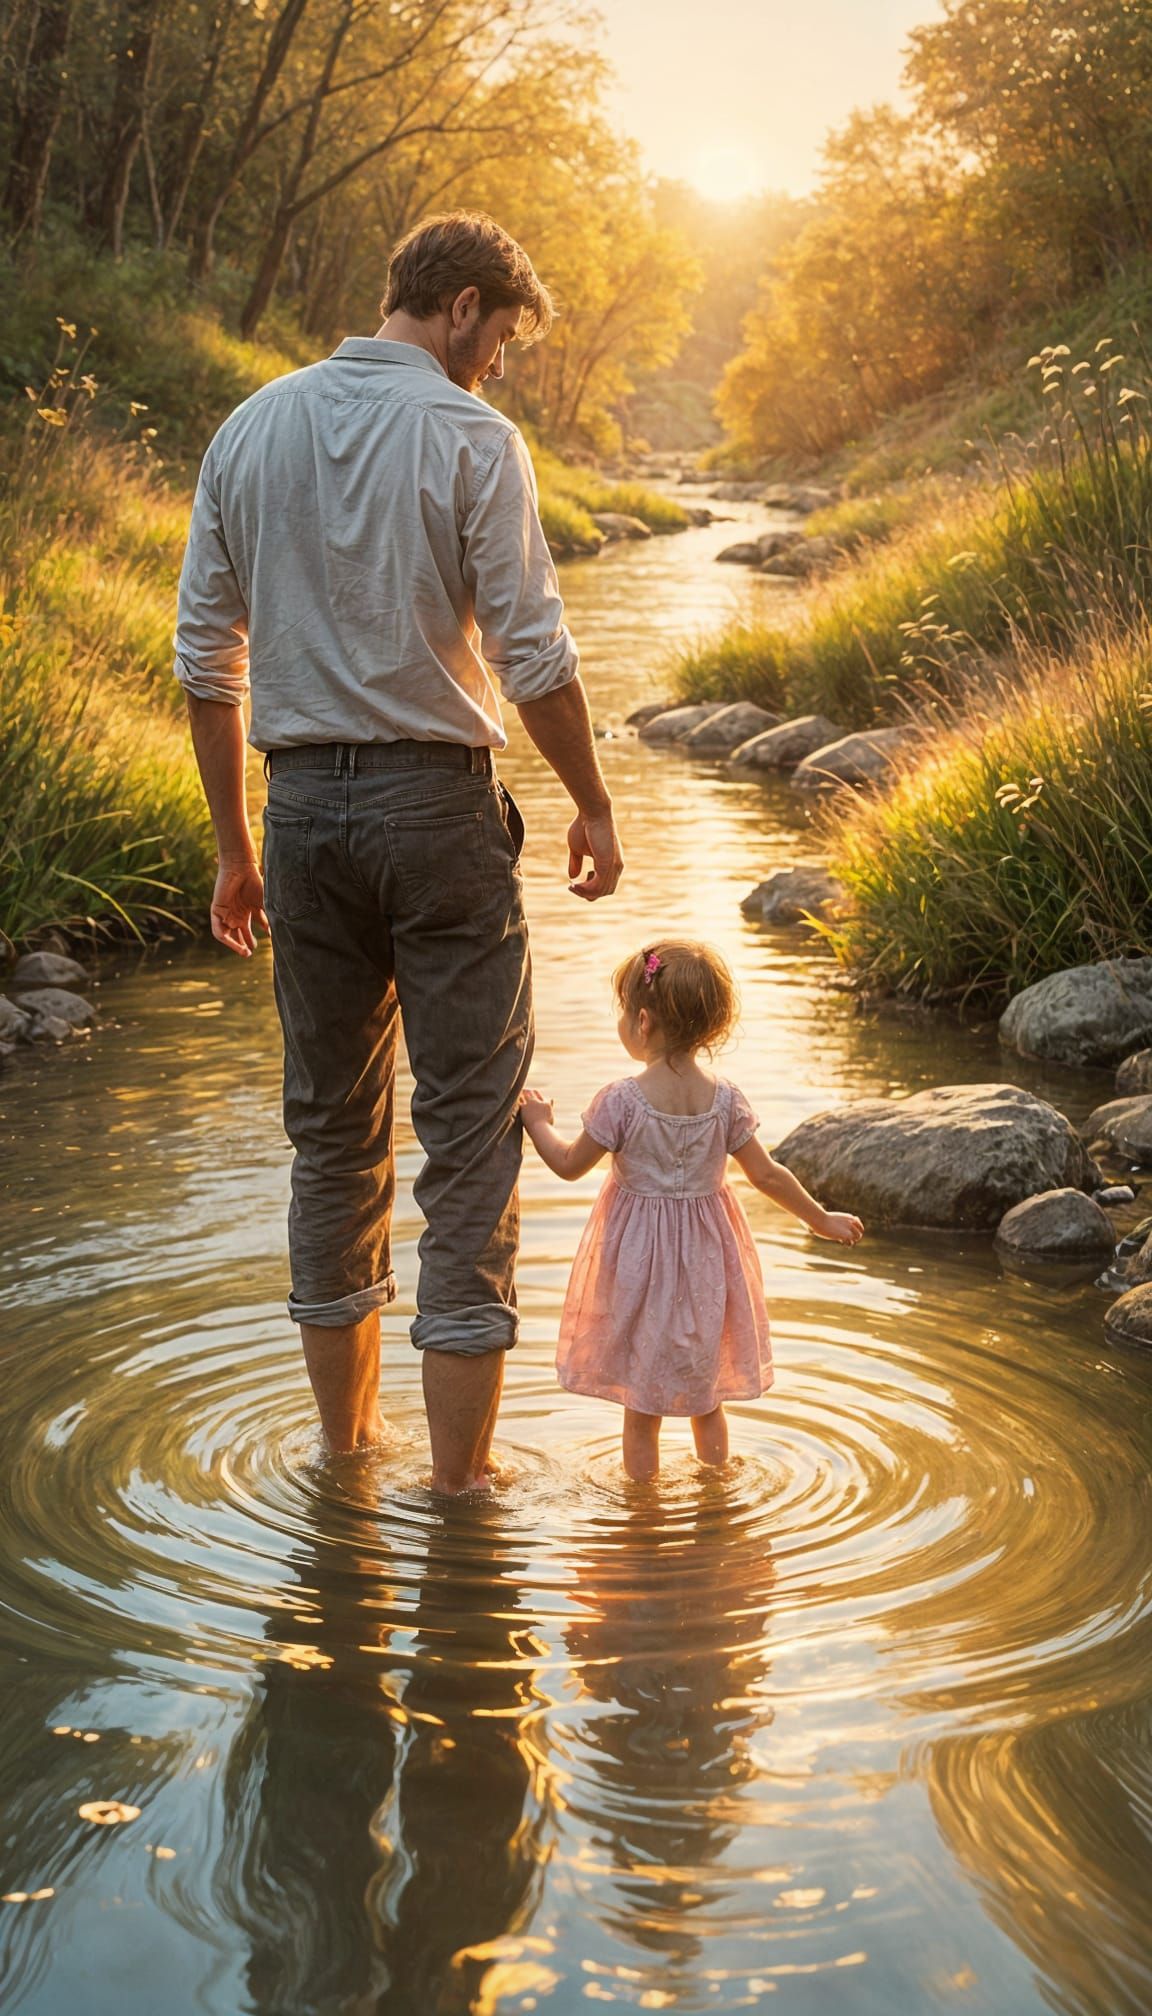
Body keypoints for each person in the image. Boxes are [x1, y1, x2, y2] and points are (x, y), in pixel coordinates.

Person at [173, 211, 623, 1496]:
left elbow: (209, 662)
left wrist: (232, 848)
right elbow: (533, 657)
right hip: (440, 814)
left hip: (301, 815)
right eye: (501, 340)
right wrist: (591, 801)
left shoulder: (248, 430)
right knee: (472, 1139)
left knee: (330, 1141)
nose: (496, 368)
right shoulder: (475, 437)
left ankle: (342, 1461)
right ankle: (463, 1494)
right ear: (465, 305)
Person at [518, 940, 864, 1482]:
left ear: (643, 1021)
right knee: (707, 1396)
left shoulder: (621, 1101)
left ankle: (643, 1515)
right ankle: (717, 1494)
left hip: (637, 1267)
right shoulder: (726, 1100)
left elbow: (566, 1164)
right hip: (709, 1265)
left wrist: (536, 1119)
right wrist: (822, 1220)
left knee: (641, 1405)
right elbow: (767, 1176)